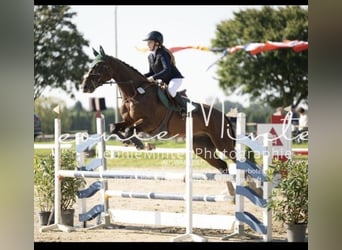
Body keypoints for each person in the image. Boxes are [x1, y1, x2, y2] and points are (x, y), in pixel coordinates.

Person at [142, 30, 187, 118]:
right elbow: (151, 72)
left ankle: (184, 108)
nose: (148, 44)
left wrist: (153, 77)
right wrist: (140, 76)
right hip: (165, 80)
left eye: (150, 42)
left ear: (157, 43)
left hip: (175, 78)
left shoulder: (162, 53)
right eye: (148, 42)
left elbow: (167, 70)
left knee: (171, 90)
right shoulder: (150, 57)